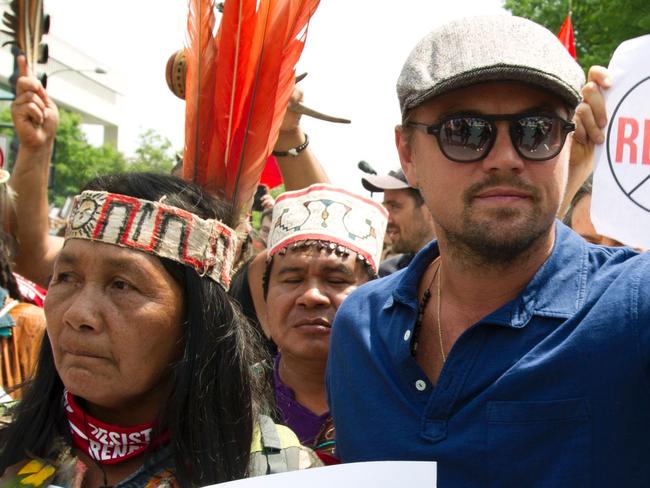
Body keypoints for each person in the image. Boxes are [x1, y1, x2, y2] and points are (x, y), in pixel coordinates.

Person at [326, 15, 645, 486]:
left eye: (536, 131)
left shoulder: (632, 306)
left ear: (570, 142)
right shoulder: (359, 329)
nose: (505, 157)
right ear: (407, 154)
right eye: (465, 131)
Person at [261, 184, 387, 458]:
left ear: (374, 296)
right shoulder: (223, 397)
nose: (311, 296)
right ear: (265, 297)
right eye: (292, 280)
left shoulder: (402, 398)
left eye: (336, 280)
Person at [361, 168, 435, 275]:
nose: (386, 219)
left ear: (429, 208)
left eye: (394, 206)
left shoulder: (462, 270)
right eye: (385, 208)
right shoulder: (385, 274)